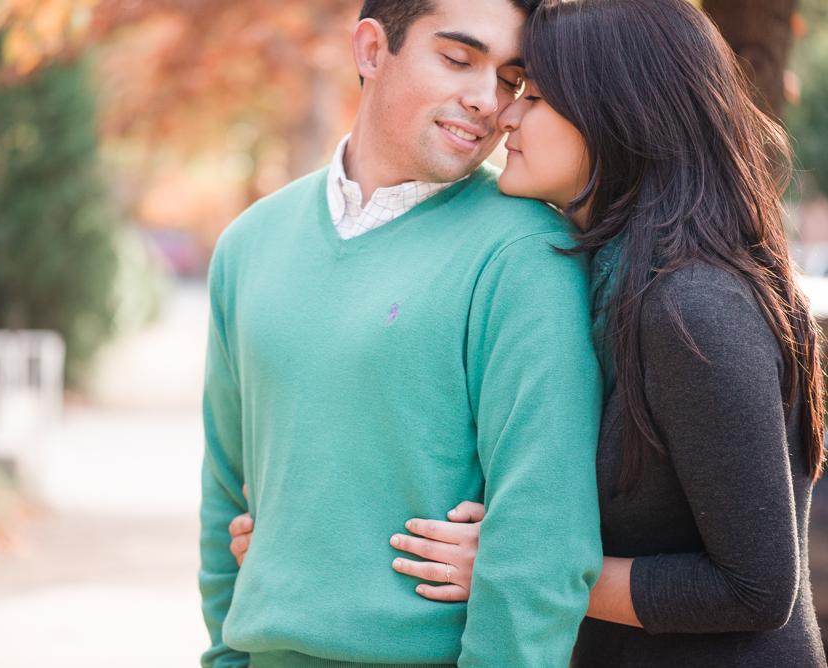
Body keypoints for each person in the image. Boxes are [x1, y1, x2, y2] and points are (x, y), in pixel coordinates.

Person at [234, 0, 828, 664]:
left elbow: (757, 587)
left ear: (619, 115)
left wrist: (521, 565)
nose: (503, 112)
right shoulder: (602, 271)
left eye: (534, 94)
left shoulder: (692, 304)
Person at [199, 0, 606, 666]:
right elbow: (225, 500)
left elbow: (543, 544)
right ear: (370, 51)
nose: (489, 102)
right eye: (456, 58)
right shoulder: (250, 243)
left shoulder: (526, 255)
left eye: (511, 78)